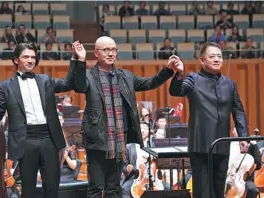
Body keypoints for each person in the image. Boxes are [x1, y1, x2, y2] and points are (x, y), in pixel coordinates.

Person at [0, 41, 86, 198]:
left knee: (52, 188)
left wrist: (76, 59)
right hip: (25, 139)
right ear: (16, 59)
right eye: (26, 57)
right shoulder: (5, 87)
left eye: (33, 57)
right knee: (28, 189)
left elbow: (68, 83)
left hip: (49, 138)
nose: (30, 60)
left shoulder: (46, 80)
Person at [74, 36, 175, 198]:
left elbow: (150, 83)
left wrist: (168, 70)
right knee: (95, 189)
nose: (110, 53)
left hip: (119, 141)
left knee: (114, 188)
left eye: (113, 49)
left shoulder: (126, 76)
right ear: (96, 53)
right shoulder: (88, 76)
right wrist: (80, 61)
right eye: (106, 50)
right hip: (97, 141)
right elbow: (78, 86)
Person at [169, 42, 249, 198]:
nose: (217, 59)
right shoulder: (193, 79)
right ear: (202, 60)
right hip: (201, 146)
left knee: (219, 190)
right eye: (212, 56)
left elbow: (238, 111)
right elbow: (175, 91)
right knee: (203, 192)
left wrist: (243, 136)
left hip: (222, 144)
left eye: (219, 56)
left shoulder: (230, 84)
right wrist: (179, 75)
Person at [121, 122, 160, 198]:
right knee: (125, 189)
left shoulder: (153, 144)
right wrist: (128, 169)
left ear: (149, 132)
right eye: (140, 128)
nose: (142, 131)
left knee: (167, 188)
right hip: (135, 177)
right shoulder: (129, 146)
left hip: (152, 177)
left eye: (145, 129)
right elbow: (124, 167)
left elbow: (160, 162)